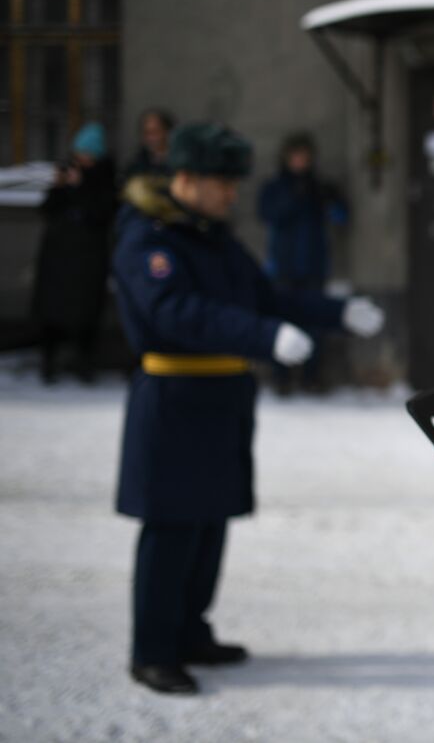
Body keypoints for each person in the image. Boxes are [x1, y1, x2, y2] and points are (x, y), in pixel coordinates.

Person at [112, 122, 385, 695]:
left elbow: (269, 295)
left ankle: (191, 631)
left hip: (219, 399)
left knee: (210, 522)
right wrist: (263, 337)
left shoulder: (212, 237)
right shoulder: (149, 240)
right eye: (221, 183)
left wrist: (336, 313)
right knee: (172, 529)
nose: (232, 194)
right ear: (184, 179)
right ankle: (153, 650)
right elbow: (177, 313)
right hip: (174, 400)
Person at [256, 132, 348, 393]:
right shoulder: (276, 187)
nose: (300, 162)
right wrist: (293, 199)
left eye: (304, 157)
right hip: (283, 265)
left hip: (313, 265)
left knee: (314, 323)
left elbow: (340, 217)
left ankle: (311, 376)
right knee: (283, 321)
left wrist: (329, 200)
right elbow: (267, 215)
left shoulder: (318, 187)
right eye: (295, 156)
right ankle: (281, 377)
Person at [32, 122, 118, 383]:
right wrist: (60, 186)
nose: (82, 158)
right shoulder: (66, 172)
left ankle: (85, 364)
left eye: (88, 153)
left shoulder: (105, 177)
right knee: (51, 310)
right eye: (80, 153)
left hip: (88, 257)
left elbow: (103, 213)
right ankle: (48, 362)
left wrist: (80, 187)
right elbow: (47, 208)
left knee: (86, 313)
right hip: (58, 255)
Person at [124, 108, 176, 180]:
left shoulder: (179, 163)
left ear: (168, 132)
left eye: (155, 132)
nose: (151, 138)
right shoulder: (138, 163)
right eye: (147, 133)